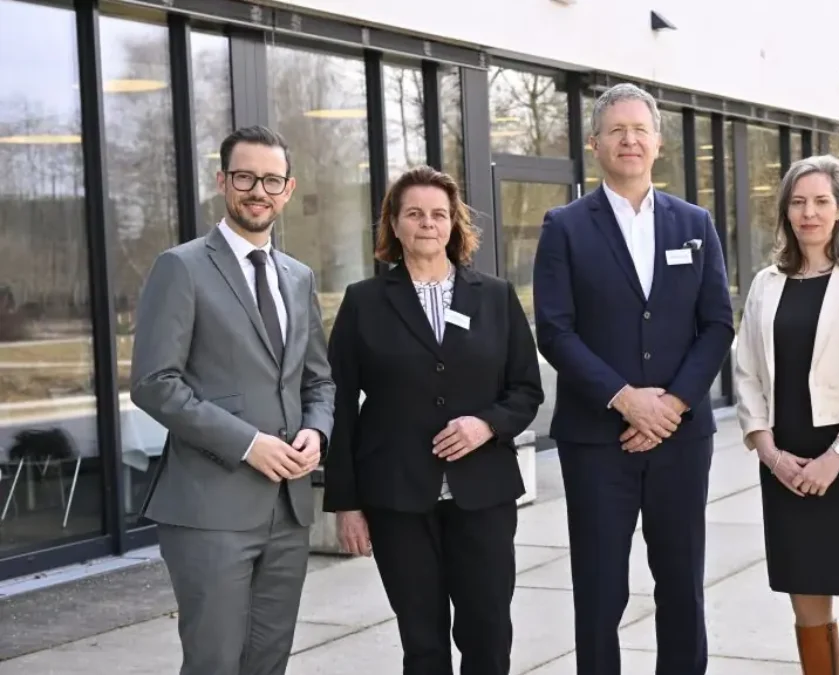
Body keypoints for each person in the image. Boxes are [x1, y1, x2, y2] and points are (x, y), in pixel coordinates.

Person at [532, 82, 734, 675]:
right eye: (616, 130)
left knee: (681, 588)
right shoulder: (564, 226)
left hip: (680, 440)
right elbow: (555, 331)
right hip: (598, 443)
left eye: (639, 129)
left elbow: (718, 324)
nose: (629, 140)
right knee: (599, 594)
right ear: (595, 143)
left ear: (658, 142)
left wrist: (670, 404)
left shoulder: (694, 223)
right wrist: (625, 400)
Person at [130, 125, 336, 675]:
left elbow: (317, 380)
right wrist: (248, 445)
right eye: (245, 177)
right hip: (209, 508)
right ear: (222, 181)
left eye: (271, 180)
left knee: (268, 660)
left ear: (288, 190)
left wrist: (317, 431)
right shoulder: (182, 267)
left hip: (289, 508)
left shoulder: (298, 276)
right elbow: (154, 382)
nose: (258, 191)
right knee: (215, 662)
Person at [322, 165, 544, 675]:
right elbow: (338, 403)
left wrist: (485, 425)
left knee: (487, 634)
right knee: (421, 642)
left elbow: (526, 389)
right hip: (397, 498)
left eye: (439, 214)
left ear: (454, 224)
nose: (428, 223)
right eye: (415, 213)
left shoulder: (494, 296)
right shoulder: (364, 302)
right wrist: (346, 503)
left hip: (483, 495)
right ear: (394, 225)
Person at [733, 155, 839, 674]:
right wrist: (768, 452)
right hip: (784, 463)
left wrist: (837, 455)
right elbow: (746, 373)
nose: (809, 212)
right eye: (798, 202)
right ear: (785, 211)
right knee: (806, 603)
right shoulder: (766, 283)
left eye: (821, 201)